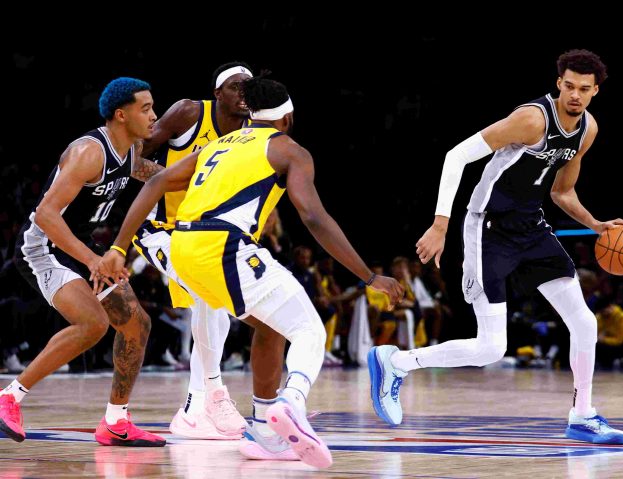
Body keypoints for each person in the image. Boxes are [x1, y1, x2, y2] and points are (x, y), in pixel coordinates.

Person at [97, 76, 404, 468]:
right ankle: (290, 402)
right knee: (308, 330)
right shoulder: (289, 149)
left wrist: (119, 247)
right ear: (287, 117)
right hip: (224, 246)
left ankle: (263, 428)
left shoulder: (219, 146)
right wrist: (368, 276)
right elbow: (313, 216)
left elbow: (156, 179)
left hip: (184, 249)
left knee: (270, 325)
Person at [369, 49, 623, 445]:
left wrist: (597, 225)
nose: (575, 95)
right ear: (558, 84)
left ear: (595, 90)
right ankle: (396, 362)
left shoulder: (588, 130)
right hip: (488, 229)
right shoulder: (532, 119)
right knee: (491, 348)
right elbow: (456, 156)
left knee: (585, 323)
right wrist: (441, 224)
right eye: (569, 86)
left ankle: (582, 416)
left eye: (584, 89)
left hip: (532, 228)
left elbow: (563, 192)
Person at [0, 78, 166, 446]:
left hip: (79, 245)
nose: (154, 115)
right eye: (146, 108)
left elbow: (154, 175)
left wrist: (201, 172)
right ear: (121, 115)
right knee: (93, 323)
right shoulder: (88, 152)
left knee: (137, 325)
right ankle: (9, 396)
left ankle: (115, 421)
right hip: (42, 246)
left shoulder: (131, 151)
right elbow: (44, 214)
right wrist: (93, 259)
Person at [133, 62, 286, 443]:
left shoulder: (252, 134)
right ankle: (206, 398)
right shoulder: (189, 112)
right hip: (158, 230)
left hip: (204, 235)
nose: (244, 94)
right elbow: (130, 155)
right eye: (236, 87)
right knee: (210, 293)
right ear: (218, 92)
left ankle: (197, 405)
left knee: (214, 299)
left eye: (249, 88)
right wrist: (168, 177)